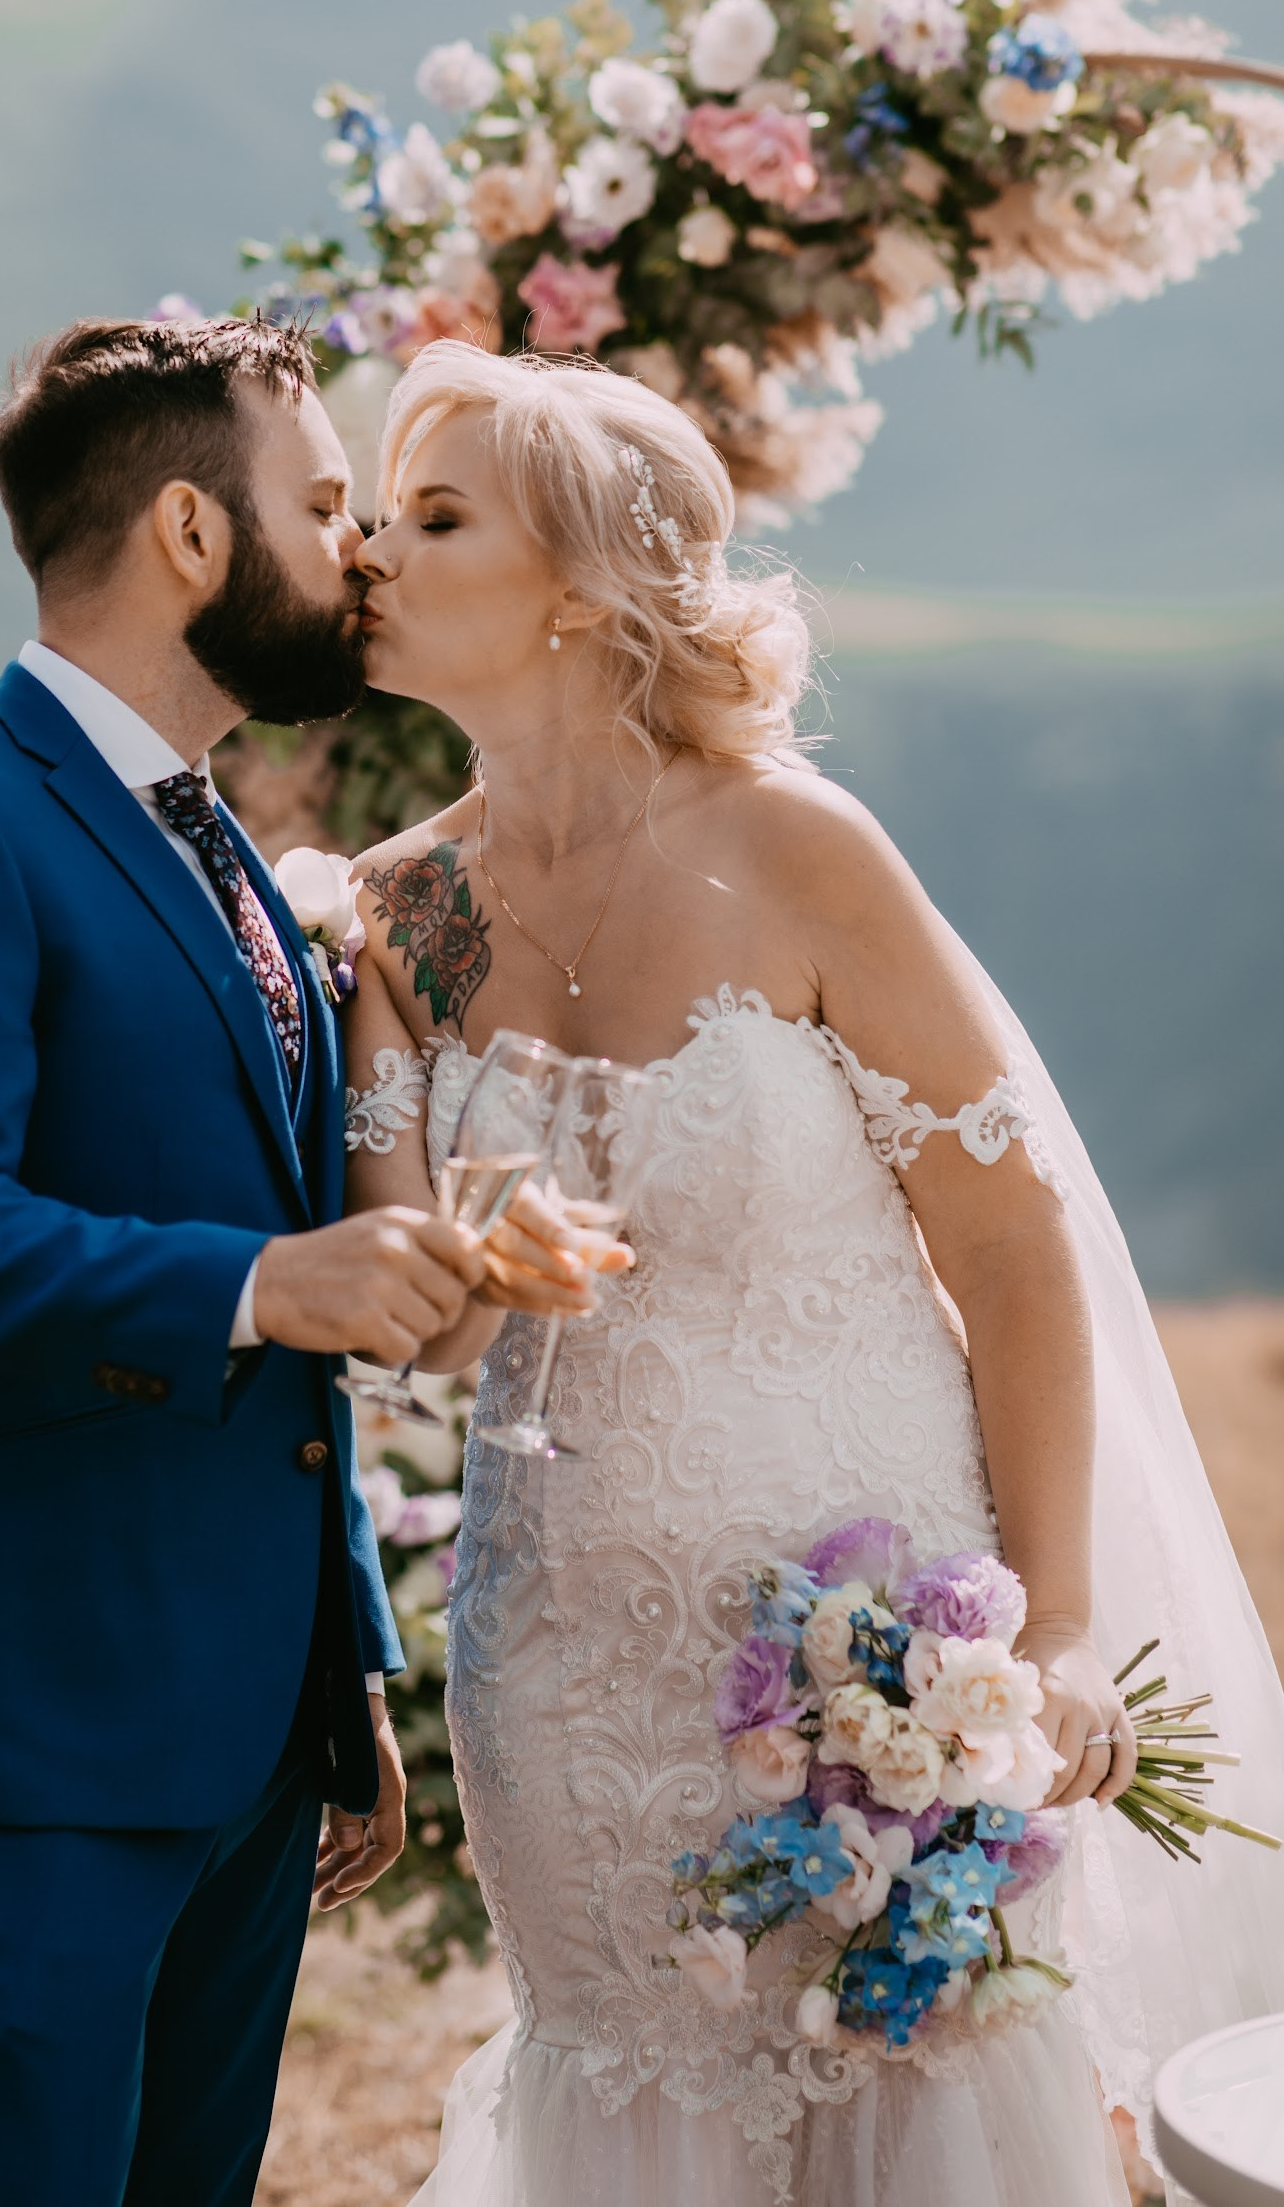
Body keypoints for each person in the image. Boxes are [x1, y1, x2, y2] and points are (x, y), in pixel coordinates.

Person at [341, 340, 1284, 2206]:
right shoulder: (400, 913)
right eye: (374, 508)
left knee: (924, 2083)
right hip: (564, 1675)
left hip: (879, 1637)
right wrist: (464, 1262)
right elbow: (417, 1321)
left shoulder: (795, 846)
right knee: (621, 2083)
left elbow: (1011, 1248)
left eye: (435, 517)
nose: (370, 550)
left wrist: (1064, 1624)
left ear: (586, 583)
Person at [0, 315, 576, 2207]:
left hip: (243, 1716)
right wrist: (265, 1284)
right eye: (324, 502)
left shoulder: (228, 854)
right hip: (21, 1703)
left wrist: (333, 1679)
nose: (356, 552)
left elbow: (295, 1274)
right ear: (191, 530)